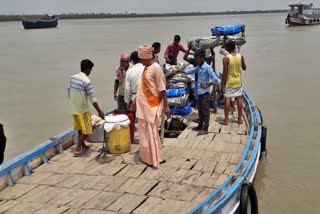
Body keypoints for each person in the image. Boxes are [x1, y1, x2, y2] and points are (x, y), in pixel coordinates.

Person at [136, 45, 171, 167]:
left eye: (141, 59)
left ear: (145, 57)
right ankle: (147, 157)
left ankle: (156, 158)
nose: (140, 61)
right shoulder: (146, 68)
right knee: (144, 133)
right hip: (144, 106)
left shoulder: (156, 68)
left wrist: (166, 106)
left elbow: (162, 88)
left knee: (152, 132)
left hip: (152, 105)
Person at [176, 50, 219, 136]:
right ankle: (200, 125)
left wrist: (208, 85)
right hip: (198, 92)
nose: (196, 60)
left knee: (205, 111)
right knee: (200, 110)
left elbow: (215, 79)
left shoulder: (207, 68)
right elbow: (191, 71)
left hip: (204, 93)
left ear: (202, 57)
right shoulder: (199, 67)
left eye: (197, 58)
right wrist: (179, 71)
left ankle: (205, 128)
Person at [68, 59, 105, 157]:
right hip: (82, 109)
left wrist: (72, 102)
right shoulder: (87, 81)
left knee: (80, 127)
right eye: (91, 70)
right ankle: (77, 149)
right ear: (88, 69)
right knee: (87, 129)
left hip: (73, 107)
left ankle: (83, 146)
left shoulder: (72, 77)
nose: (90, 72)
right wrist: (99, 111)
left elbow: (69, 89)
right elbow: (92, 98)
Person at [183, 45, 218, 113]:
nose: (197, 59)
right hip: (203, 84)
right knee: (202, 101)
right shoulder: (207, 60)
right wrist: (211, 48)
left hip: (198, 83)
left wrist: (189, 48)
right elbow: (213, 55)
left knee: (199, 101)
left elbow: (184, 57)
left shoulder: (195, 61)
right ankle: (202, 116)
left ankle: (202, 116)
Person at [221, 41, 247, 125]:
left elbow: (225, 72)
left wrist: (222, 85)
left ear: (228, 48)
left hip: (229, 81)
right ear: (235, 47)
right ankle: (239, 119)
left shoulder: (226, 58)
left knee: (227, 99)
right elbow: (244, 68)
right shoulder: (240, 56)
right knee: (239, 99)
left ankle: (226, 120)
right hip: (238, 81)